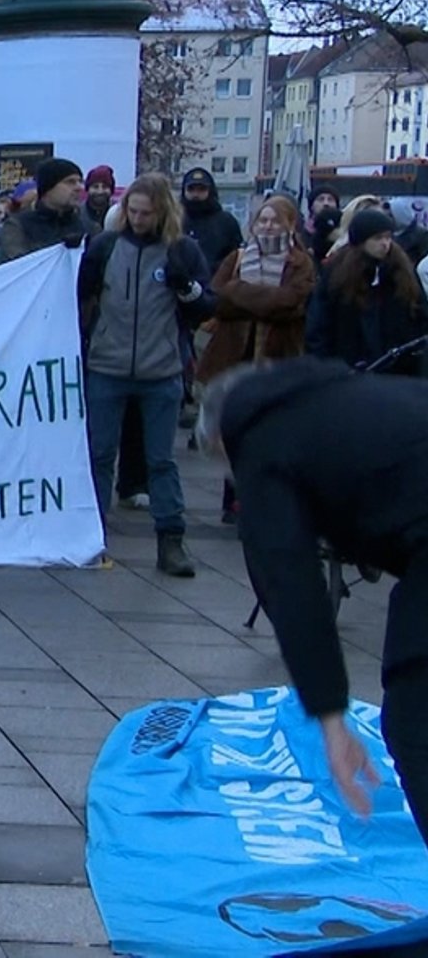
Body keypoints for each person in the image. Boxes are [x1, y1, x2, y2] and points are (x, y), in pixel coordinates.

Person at [199, 357, 428, 846]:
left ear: (222, 442)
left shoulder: (261, 444)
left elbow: (293, 585)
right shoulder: (339, 394)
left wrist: (331, 721)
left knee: (415, 720)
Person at [79, 172, 214, 577]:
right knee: (100, 455)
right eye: (132, 212)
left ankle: (171, 540)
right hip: (108, 363)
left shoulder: (181, 251)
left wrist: (185, 287)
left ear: (161, 213)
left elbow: (205, 307)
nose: (137, 220)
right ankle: (92, 533)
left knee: (161, 460)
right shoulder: (105, 246)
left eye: (145, 213)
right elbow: (81, 294)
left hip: (161, 368)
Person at [194, 195, 314, 526]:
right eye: (263, 220)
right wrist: (263, 300)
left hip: (278, 356)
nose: (268, 226)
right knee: (234, 431)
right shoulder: (237, 257)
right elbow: (217, 299)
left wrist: (243, 294)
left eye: (275, 220)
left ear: (290, 224)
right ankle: (233, 502)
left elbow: (292, 302)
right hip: (235, 356)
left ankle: (268, 500)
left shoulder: (300, 262)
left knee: (272, 434)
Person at [308, 207, 428, 375]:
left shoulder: (402, 272)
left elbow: (420, 314)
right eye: (378, 238)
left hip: (398, 370)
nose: (385, 244)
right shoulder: (337, 274)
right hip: (349, 370)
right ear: (362, 241)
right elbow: (320, 324)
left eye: (388, 237)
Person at [0, 159, 91, 260]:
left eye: (80, 181)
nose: (79, 188)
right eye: (70, 182)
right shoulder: (18, 226)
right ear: (48, 188)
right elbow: (20, 266)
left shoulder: (88, 227)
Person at [180, 167, 244, 278]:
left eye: (201, 189)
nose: (196, 194)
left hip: (217, 285)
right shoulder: (174, 220)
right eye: (191, 189)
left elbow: (236, 257)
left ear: (210, 191)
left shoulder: (226, 222)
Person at [83, 165, 117, 237]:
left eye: (105, 187)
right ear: (87, 189)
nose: (100, 191)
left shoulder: (118, 213)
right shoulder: (76, 212)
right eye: (95, 187)